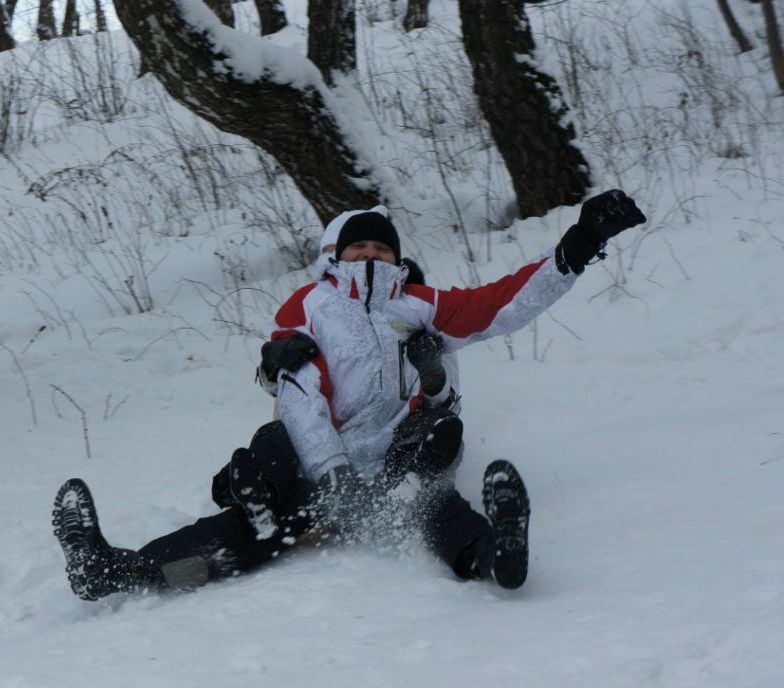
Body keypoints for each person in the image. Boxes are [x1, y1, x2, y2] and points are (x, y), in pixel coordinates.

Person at [51, 211, 463, 601]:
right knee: (256, 497)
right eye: (351, 252)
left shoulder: (423, 323)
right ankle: (116, 570)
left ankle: (254, 498)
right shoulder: (320, 311)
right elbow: (286, 392)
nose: (364, 260)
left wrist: (433, 378)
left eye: (378, 249)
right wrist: (274, 365)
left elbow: (447, 411)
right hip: (308, 476)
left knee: (257, 519)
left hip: (378, 476)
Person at [264, 189, 645, 588]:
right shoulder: (311, 306)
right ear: (335, 255)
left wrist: (578, 245)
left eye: (381, 246)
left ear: (396, 257)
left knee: (440, 505)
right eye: (357, 245)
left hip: (402, 456)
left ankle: (494, 556)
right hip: (329, 469)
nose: (370, 254)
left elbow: (498, 305)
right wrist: (331, 472)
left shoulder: (418, 307)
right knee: (267, 456)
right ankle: (213, 544)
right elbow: (297, 395)